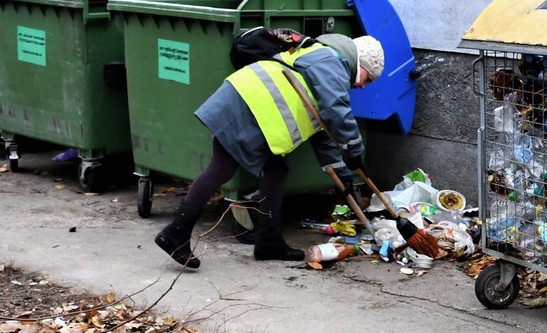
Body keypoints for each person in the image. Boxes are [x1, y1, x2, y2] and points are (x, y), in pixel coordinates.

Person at [154, 33, 384, 269]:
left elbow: (323, 130)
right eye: (369, 78)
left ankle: (269, 241)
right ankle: (175, 233)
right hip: (248, 105)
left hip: (254, 107)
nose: (363, 85)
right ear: (361, 64)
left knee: (275, 170)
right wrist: (354, 147)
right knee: (221, 168)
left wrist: (344, 174)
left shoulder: (323, 57)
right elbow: (336, 108)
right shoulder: (332, 62)